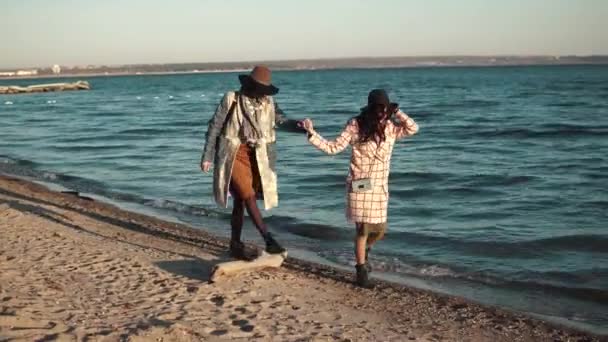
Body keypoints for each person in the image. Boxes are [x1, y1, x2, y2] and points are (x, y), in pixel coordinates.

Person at [300, 89, 419, 288]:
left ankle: (363, 251)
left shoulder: (390, 127)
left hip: (380, 186)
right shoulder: (355, 125)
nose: (382, 112)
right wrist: (311, 134)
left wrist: (398, 112)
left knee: (380, 230)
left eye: (385, 109)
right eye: (379, 108)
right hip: (360, 184)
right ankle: (361, 270)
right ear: (371, 108)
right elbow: (333, 148)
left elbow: (413, 128)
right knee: (363, 229)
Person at [201, 65, 302, 258]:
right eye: (259, 89)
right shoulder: (231, 99)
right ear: (250, 85)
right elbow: (214, 127)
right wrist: (207, 156)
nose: (261, 94)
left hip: (256, 156)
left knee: (240, 201)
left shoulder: (269, 103)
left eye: (264, 91)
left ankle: (235, 243)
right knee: (248, 195)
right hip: (233, 153)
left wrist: (301, 126)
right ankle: (268, 240)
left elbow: (281, 121)